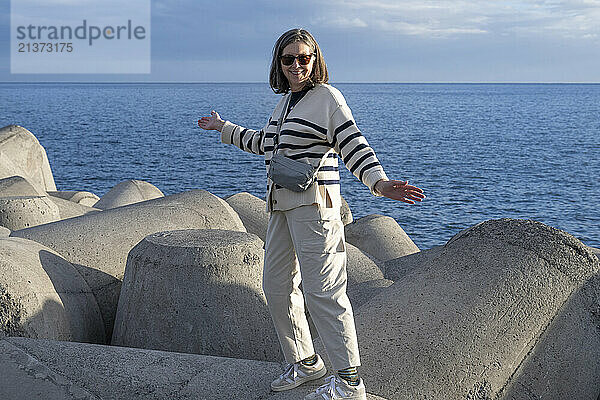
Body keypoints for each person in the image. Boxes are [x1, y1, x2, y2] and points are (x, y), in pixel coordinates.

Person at [198, 28, 424, 400]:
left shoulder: (327, 98)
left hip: (316, 209)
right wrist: (224, 128)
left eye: (305, 57)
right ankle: (305, 362)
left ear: (316, 59)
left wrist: (379, 183)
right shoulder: (286, 102)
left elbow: (353, 142)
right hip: (282, 207)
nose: (298, 65)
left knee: (325, 292)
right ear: (279, 63)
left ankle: (350, 382)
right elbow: (264, 144)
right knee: (275, 284)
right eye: (289, 59)